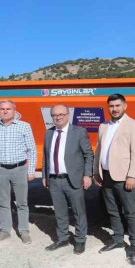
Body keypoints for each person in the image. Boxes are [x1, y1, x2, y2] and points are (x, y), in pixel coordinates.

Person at [93, 94, 135, 258]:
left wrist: (132, 176)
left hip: (124, 176)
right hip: (106, 175)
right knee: (112, 210)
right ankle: (117, 239)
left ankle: (134, 243)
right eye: (111, 106)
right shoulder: (103, 126)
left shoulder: (134, 125)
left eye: (117, 105)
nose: (114, 109)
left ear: (125, 106)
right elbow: (98, 151)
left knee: (130, 211)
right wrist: (96, 171)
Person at [42, 104, 94, 255]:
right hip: (54, 180)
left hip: (73, 179)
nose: (58, 117)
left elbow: (88, 155)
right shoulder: (49, 133)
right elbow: (46, 157)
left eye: (61, 114)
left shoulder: (79, 132)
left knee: (78, 212)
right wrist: (45, 175)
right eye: (54, 115)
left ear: (68, 115)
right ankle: (63, 238)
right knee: (59, 212)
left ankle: (80, 240)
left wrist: (87, 175)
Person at [0, 100, 37, 244]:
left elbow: (31, 150)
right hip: (0, 170)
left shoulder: (24, 126)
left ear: (14, 111)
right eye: (2, 109)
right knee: (3, 203)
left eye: (8, 109)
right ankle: (5, 231)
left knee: (22, 203)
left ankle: (24, 231)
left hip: (19, 169)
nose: (5, 111)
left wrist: (31, 170)